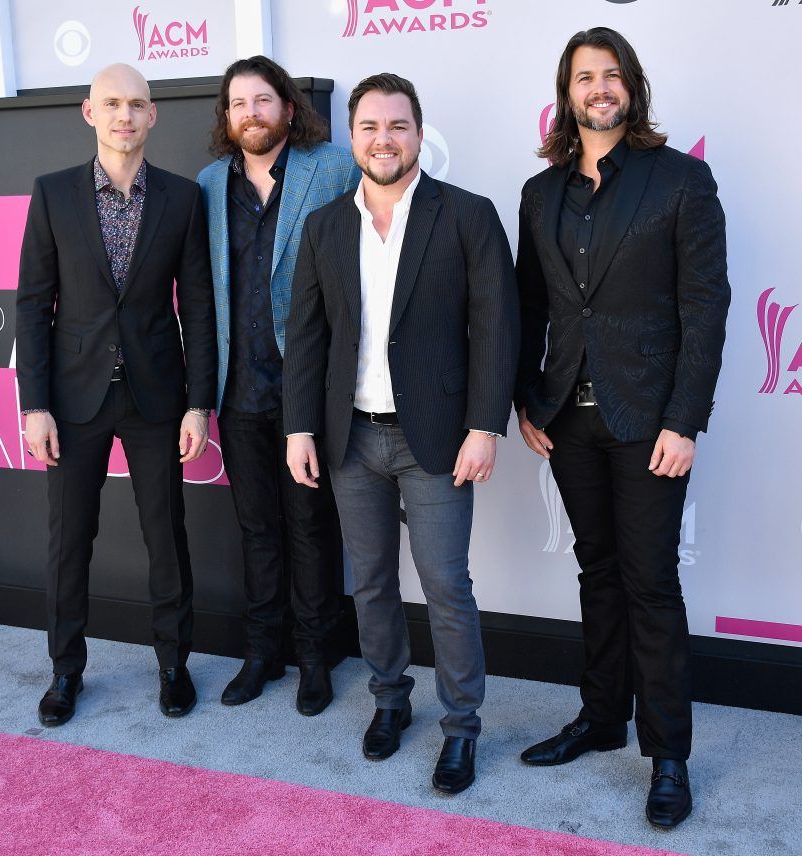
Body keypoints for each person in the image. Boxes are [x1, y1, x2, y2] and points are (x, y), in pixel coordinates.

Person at [513, 28, 730, 829]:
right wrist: (528, 400)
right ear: (566, 93)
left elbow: (706, 307)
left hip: (650, 423)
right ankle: (601, 717)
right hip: (568, 419)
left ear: (631, 87)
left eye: (610, 76)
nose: (598, 89)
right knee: (596, 573)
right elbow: (527, 305)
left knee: (650, 584)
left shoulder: (681, 180)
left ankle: (668, 753)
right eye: (583, 78)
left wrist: (685, 419)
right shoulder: (540, 195)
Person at [284, 73, 518, 793]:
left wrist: (485, 426)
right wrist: (299, 429)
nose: (383, 139)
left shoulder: (467, 216)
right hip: (351, 439)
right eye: (370, 127)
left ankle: (461, 729)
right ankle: (389, 702)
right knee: (375, 583)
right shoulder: (324, 227)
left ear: (419, 133)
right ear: (350, 136)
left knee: (448, 586)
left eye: (398, 126)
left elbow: (498, 330)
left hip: (439, 439)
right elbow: (307, 335)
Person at [15, 63, 217, 725]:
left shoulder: (184, 199)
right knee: (69, 541)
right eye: (112, 104)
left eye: (136, 104)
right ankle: (66, 672)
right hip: (72, 402)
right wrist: (34, 405)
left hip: (157, 398)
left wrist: (197, 402)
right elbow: (32, 305)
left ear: (153, 115)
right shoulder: (52, 194)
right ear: (89, 112)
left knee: (167, 536)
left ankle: (173, 665)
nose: (124, 115)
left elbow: (200, 307)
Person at [197, 57, 360, 715]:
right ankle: (263, 654)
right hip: (239, 391)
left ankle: (316, 659)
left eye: (263, 101)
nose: (251, 114)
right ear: (228, 118)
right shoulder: (209, 185)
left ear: (289, 109)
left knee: (311, 527)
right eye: (239, 104)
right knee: (256, 528)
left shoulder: (334, 170)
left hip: (308, 390)